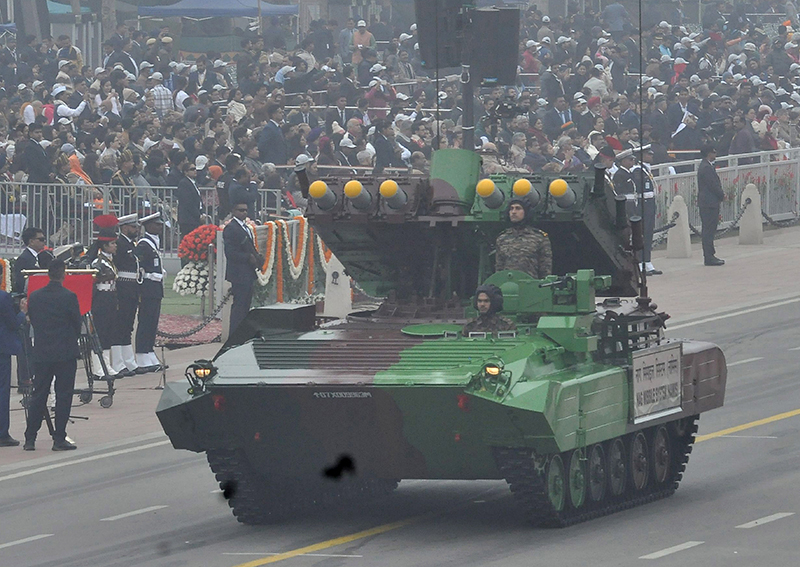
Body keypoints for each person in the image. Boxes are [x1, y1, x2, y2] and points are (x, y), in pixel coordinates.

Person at [23, 259, 82, 451]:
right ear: (63, 273)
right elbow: (76, 324)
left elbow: (32, 319)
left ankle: (30, 438)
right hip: (65, 352)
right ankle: (59, 438)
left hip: (41, 351)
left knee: (39, 394)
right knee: (64, 395)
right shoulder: (69, 296)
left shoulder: (36, 296)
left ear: (48, 273)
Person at [224, 199, 263, 335]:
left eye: (246, 210)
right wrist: (248, 257)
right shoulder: (231, 228)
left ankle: (243, 333)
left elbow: (249, 247)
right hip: (239, 273)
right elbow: (230, 252)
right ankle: (234, 334)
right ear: (233, 211)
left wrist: (257, 257)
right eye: (241, 210)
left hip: (248, 272)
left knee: (246, 306)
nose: (244, 212)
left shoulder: (245, 227)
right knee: (239, 307)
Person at [87, 215, 119, 379]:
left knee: (108, 333)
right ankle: (98, 367)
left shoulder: (109, 260)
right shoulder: (98, 263)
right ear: (104, 246)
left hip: (110, 298)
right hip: (101, 299)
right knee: (99, 333)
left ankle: (106, 364)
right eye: (112, 243)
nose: (115, 246)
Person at [134, 211, 165, 372]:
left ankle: (148, 351)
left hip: (155, 288)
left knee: (152, 322)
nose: (160, 227)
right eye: (156, 224)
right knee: (145, 322)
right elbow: (137, 266)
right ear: (148, 226)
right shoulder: (143, 244)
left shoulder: (153, 243)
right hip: (147, 288)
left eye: (160, 224)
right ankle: (141, 354)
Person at [111, 213, 140, 376]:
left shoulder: (131, 244)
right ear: (124, 228)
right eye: (132, 227)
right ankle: (118, 363)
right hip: (122, 287)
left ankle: (129, 361)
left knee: (128, 325)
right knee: (119, 325)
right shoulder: (119, 244)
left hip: (132, 287)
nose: (135, 229)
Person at [495, 198, 553, 279]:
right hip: (508, 285)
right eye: (511, 209)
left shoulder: (539, 237)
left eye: (518, 208)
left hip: (531, 286)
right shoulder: (502, 238)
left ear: (526, 212)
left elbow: (545, 269)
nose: (513, 212)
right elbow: (499, 268)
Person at [0, 287, 25, 446]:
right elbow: (13, 324)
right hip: (2, 349)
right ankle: (2, 433)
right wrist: (22, 312)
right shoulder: (3, 297)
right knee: (2, 390)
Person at [631, 146, 661, 275]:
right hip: (643, 204)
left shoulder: (645, 169)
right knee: (642, 234)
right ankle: (640, 262)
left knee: (648, 234)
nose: (651, 156)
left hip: (649, 204)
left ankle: (647, 261)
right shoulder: (637, 171)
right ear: (641, 155)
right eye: (649, 154)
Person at [697, 145, 725, 266]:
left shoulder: (706, 166)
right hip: (709, 202)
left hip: (709, 202)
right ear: (709, 153)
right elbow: (712, 185)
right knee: (708, 230)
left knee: (709, 229)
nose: (715, 154)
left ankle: (710, 254)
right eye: (714, 152)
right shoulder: (706, 168)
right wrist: (721, 195)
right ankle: (709, 256)